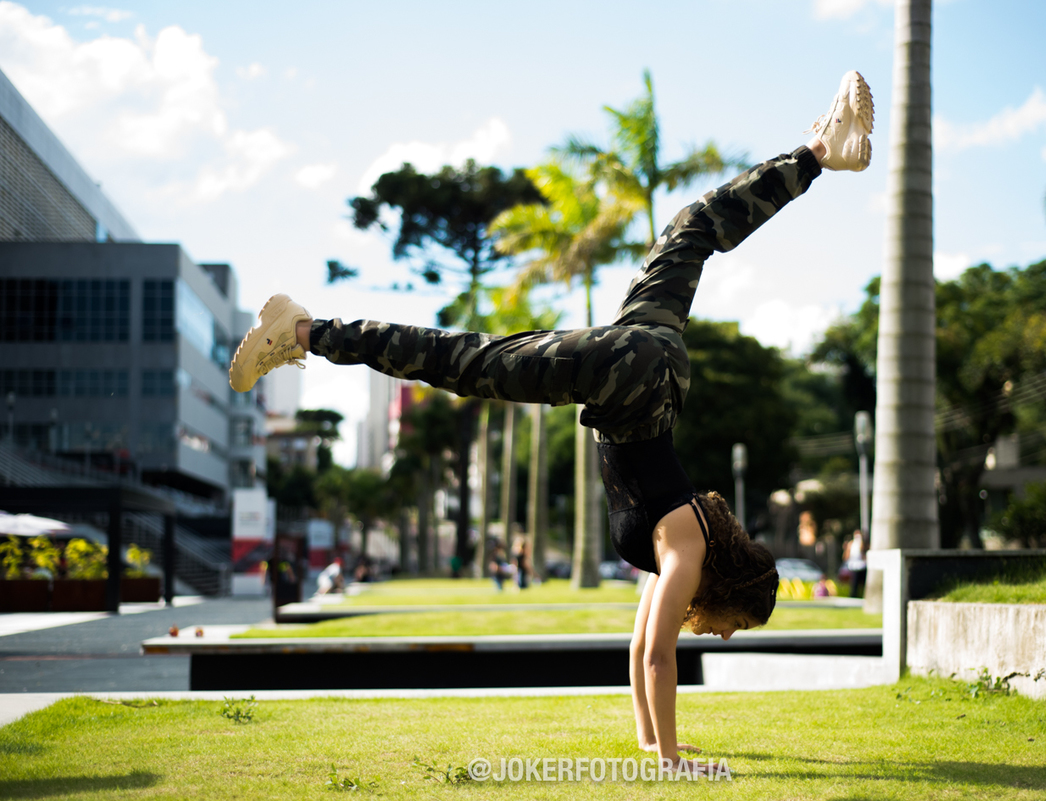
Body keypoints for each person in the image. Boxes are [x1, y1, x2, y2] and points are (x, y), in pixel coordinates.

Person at [228, 70, 873, 771]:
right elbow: (662, 657)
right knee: (466, 361)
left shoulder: (679, 550)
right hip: (632, 380)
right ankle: (304, 331)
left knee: (691, 230)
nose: (721, 636)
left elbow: (640, 648)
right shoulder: (687, 551)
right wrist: (673, 766)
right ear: (730, 586)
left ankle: (819, 152)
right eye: (734, 625)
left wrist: (652, 742)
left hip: (652, 362)